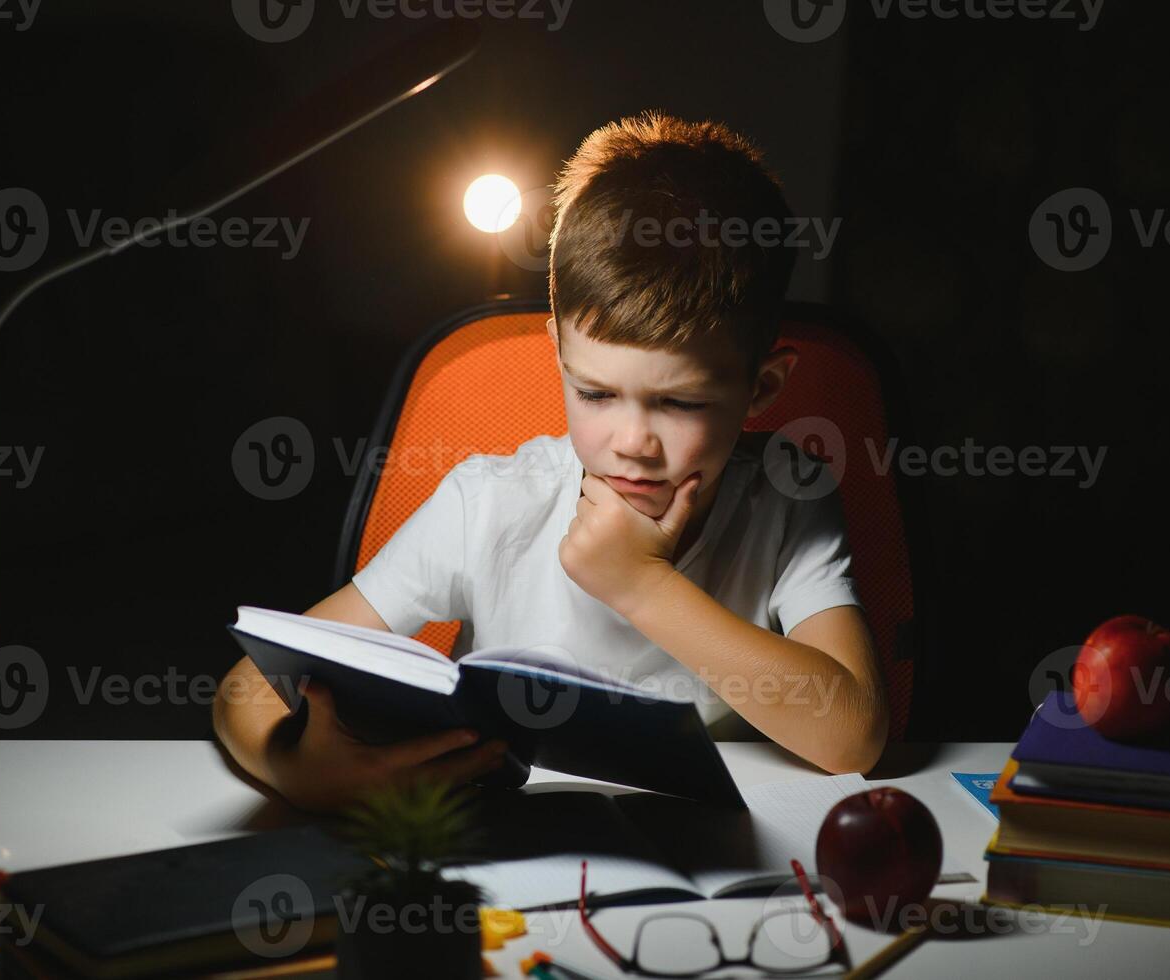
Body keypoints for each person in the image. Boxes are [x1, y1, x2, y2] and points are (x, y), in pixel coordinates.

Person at [213, 110, 889, 813]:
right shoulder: (489, 505)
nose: (632, 441)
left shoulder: (786, 493)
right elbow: (245, 688)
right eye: (595, 392)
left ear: (762, 389)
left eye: (679, 403)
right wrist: (297, 769)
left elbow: (853, 738)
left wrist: (641, 585)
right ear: (557, 353)